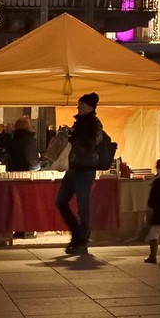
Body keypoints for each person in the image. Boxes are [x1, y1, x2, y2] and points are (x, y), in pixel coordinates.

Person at [56, 93, 108, 257]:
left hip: (85, 170)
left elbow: (92, 142)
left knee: (83, 207)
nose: (78, 107)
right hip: (73, 169)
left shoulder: (95, 124)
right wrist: (68, 134)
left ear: (90, 107)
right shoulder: (78, 123)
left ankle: (82, 241)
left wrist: (75, 135)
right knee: (61, 201)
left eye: (81, 105)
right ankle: (78, 235)